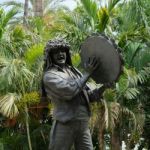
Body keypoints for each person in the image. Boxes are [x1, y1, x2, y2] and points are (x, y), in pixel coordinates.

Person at [41, 38, 107, 150]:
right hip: (65, 123)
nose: (60, 54)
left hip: (83, 123)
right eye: (56, 52)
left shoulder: (74, 71)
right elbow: (69, 91)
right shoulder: (49, 76)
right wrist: (87, 74)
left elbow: (89, 96)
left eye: (63, 51)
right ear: (50, 56)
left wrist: (104, 86)